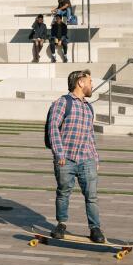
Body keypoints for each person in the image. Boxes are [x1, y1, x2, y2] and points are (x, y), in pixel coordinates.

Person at [47, 69, 105, 243]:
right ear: (80, 82)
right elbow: (53, 128)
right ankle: (61, 224)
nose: (92, 85)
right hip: (67, 159)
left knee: (92, 196)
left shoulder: (89, 107)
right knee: (64, 192)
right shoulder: (62, 103)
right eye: (90, 81)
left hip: (86, 158)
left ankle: (95, 228)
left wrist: (95, 157)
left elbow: (90, 135)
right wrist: (59, 153)